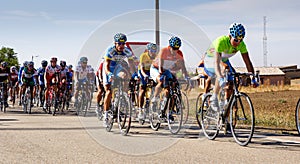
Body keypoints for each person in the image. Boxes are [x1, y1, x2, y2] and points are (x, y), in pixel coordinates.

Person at [203, 23, 259, 113]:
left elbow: (248, 62)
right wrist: (221, 78)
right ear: (230, 36)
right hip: (210, 60)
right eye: (236, 40)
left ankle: (225, 104)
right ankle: (213, 98)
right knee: (221, 71)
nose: (238, 43)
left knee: (232, 80)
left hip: (224, 60)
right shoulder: (221, 42)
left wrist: (253, 78)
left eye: (241, 40)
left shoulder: (241, 44)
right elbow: (217, 63)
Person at [150, 36, 189, 116]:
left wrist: (186, 77)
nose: (175, 50)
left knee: (172, 88)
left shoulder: (179, 53)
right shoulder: (164, 50)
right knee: (161, 81)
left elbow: (183, 67)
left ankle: (167, 110)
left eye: (177, 48)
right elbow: (160, 66)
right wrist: (162, 73)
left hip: (167, 70)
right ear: (170, 46)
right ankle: (155, 98)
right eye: (174, 48)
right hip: (156, 68)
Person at [102, 33, 135, 127]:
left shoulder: (127, 51)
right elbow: (106, 65)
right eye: (119, 43)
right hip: (109, 69)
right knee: (108, 90)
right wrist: (109, 74)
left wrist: (135, 74)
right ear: (115, 43)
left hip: (118, 67)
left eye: (123, 44)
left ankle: (123, 94)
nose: (121, 46)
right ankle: (106, 114)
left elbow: (132, 64)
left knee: (125, 76)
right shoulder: (110, 50)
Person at [137, 42, 157, 121]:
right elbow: (141, 69)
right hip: (143, 71)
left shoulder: (156, 56)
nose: (153, 52)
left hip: (151, 71)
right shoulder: (143, 56)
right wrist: (144, 75)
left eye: (155, 51)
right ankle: (140, 110)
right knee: (143, 88)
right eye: (151, 50)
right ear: (148, 50)